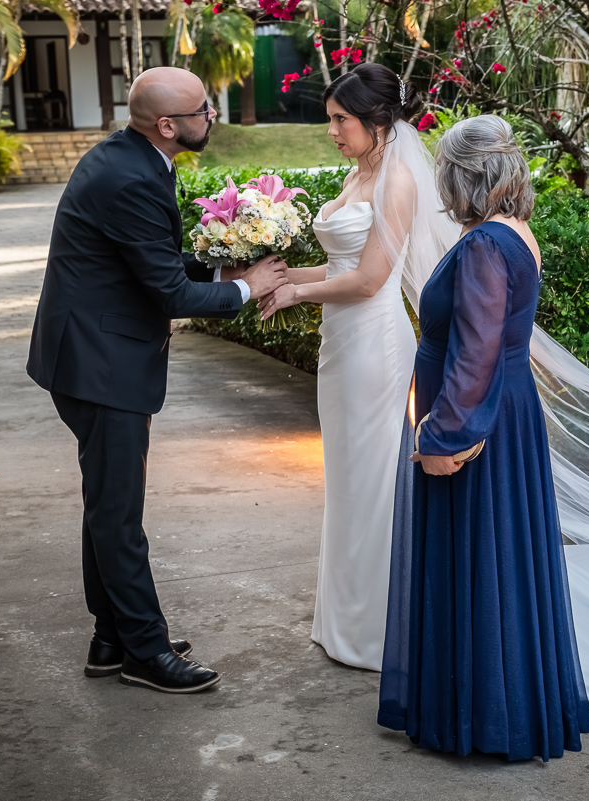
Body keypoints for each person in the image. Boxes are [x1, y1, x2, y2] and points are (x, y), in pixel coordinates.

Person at [27, 67, 287, 693]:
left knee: (108, 508)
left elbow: (154, 258)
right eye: (203, 109)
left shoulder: (132, 158)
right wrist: (248, 288)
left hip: (90, 352)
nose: (212, 117)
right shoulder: (131, 177)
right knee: (118, 516)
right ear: (167, 125)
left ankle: (112, 640)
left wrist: (223, 263)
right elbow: (168, 290)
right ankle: (145, 653)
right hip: (100, 363)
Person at [375, 115, 589, 760]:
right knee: (499, 560)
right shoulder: (512, 232)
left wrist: (443, 435)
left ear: (459, 174)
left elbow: (475, 353)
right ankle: (503, 706)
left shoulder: (481, 247)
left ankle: (486, 719)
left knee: (482, 558)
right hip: (508, 408)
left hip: (480, 419)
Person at [256, 64, 458, 670]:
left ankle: (380, 627)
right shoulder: (361, 170)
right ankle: (345, 618)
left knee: (374, 480)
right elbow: (343, 265)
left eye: (341, 121)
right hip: (340, 344)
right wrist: (284, 276)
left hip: (375, 345)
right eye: (331, 121)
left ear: (376, 121)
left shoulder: (397, 181)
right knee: (345, 477)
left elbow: (372, 281)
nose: (332, 132)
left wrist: (295, 296)